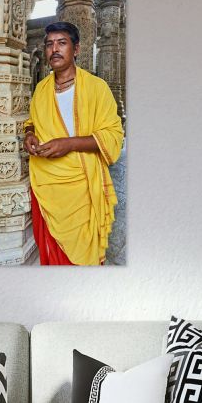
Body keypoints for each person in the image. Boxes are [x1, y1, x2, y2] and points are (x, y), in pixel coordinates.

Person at [22, 21, 124, 265]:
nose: (54, 49)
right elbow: (31, 121)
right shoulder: (41, 89)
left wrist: (69, 144)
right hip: (46, 181)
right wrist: (29, 135)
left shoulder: (96, 88)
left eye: (62, 43)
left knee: (81, 257)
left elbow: (113, 135)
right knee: (51, 252)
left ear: (76, 50)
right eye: (49, 44)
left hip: (81, 184)